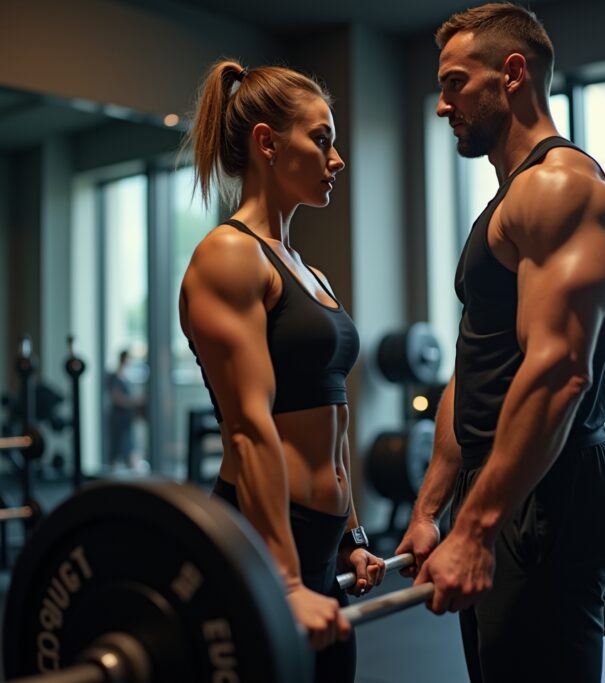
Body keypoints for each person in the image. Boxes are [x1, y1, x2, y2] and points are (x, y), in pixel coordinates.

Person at [395, 4, 605, 682]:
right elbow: (477, 369)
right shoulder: (511, 199)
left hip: (547, 490)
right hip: (503, 487)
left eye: (455, 83)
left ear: (513, 74)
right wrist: (432, 510)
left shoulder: (559, 188)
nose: (443, 105)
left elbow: (558, 371)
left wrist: (474, 528)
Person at [178, 59, 385, 683]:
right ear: (267, 143)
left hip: (320, 541)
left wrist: (352, 535)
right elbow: (248, 428)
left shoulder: (307, 271)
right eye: (321, 139)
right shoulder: (229, 255)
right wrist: (287, 578)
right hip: (267, 539)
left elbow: (332, 412)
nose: (337, 158)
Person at [106, 349, 143, 468]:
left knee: (129, 446)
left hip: (126, 418)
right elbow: (116, 398)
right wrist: (133, 402)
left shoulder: (125, 377)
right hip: (118, 418)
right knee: (118, 447)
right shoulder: (115, 377)